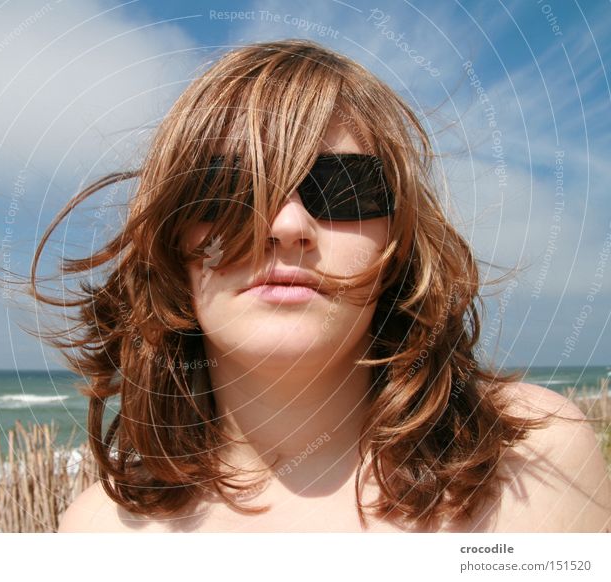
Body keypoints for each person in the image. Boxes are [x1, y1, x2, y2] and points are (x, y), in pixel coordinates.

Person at [34, 39, 611, 532]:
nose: (287, 226)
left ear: (399, 242)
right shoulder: (97, 535)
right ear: (172, 242)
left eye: (341, 188)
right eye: (231, 187)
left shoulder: (530, 466)